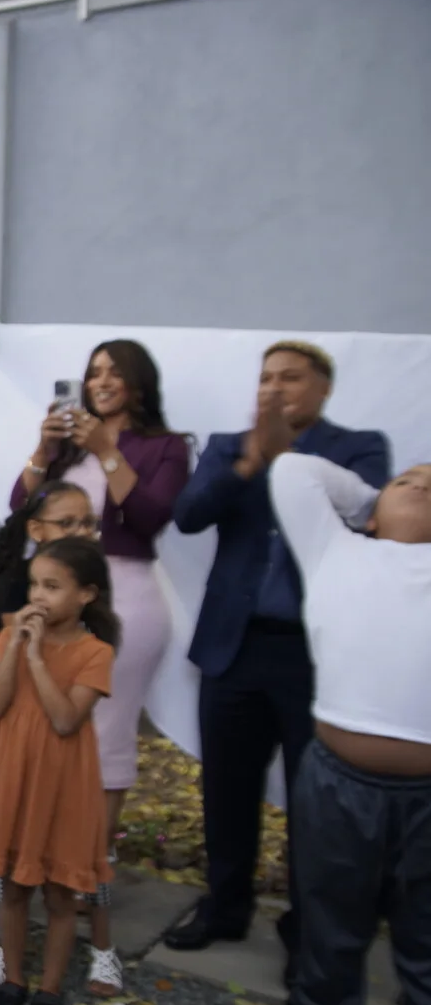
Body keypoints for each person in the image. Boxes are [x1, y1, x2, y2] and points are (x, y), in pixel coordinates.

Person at [167, 342, 389, 963]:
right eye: (266, 378)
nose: (275, 388)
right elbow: (187, 516)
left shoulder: (360, 447)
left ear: (323, 389)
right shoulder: (227, 445)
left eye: (290, 378)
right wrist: (247, 463)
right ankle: (225, 907)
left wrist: (282, 456)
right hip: (234, 648)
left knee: (314, 798)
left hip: (312, 655)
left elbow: (369, 520)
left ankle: (307, 928)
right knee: (227, 790)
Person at [251, 455, 431, 1005]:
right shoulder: (336, 550)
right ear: (373, 509)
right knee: (329, 926)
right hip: (336, 782)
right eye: (408, 479)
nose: (420, 486)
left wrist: (394, 494)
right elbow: (293, 469)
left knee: (427, 940)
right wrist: (370, 499)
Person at [13, 341, 189, 930]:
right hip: (58, 595)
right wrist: (44, 448)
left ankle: (94, 862)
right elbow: (22, 509)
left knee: (106, 734)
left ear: (138, 384)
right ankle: (51, 853)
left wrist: (108, 451)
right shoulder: (63, 452)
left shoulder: (165, 448)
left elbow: (149, 516)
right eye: (93, 372)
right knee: (50, 725)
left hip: (127, 599)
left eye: (115, 372)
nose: (101, 380)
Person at [0, 481, 124, 995]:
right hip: (14, 770)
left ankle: (51, 990)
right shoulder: (11, 635)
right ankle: (13, 981)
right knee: (11, 885)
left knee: (58, 894)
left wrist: (36, 657)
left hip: (62, 780)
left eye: (52, 587)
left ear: (86, 595)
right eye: (35, 585)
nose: (38, 597)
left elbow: (64, 720)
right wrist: (16, 647)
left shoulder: (96, 652)